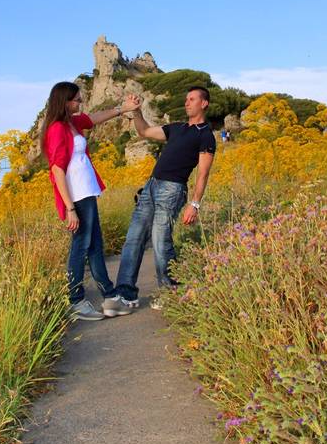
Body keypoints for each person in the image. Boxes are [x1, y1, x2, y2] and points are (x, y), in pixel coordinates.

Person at [41, 82, 139, 321]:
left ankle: (110, 297)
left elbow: (94, 118)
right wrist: (70, 208)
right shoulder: (56, 129)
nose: (80, 103)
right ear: (64, 102)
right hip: (76, 197)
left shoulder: (72, 122)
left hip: (87, 192)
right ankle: (76, 300)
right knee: (81, 246)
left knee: (95, 246)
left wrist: (122, 109)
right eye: (76, 100)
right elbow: (57, 170)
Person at [116, 86, 216, 309]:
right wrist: (137, 112)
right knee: (134, 238)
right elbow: (144, 132)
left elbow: (203, 173)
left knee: (161, 241)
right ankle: (125, 294)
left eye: (192, 99)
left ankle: (170, 292)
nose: (187, 103)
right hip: (150, 186)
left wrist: (195, 204)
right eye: (186, 99)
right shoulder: (176, 128)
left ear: (204, 103)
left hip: (172, 190)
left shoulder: (205, 134)